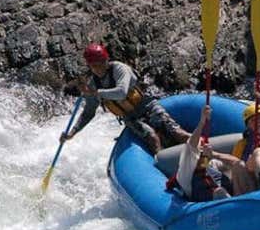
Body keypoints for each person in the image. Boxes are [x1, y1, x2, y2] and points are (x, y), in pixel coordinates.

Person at [59, 43, 189, 154]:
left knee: (177, 133)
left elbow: (121, 92)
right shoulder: (93, 85)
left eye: (102, 62)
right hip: (131, 118)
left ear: (106, 59)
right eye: (95, 65)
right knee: (152, 138)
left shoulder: (119, 69)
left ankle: (202, 150)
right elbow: (88, 113)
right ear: (90, 66)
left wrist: (95, 93)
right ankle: (166, 168)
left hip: (147, 106)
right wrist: (72, 132)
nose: (99, 68)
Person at [175, 105, 244, 202]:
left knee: (239, 167)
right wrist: (202, 122)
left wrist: (214, 154)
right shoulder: (186, 170)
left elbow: (237, 163)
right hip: (211, 204)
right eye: (200, 152)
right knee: (219, 192)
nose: (202, 156)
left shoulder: (210, 164)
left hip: (233, 198)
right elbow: (191, 145)